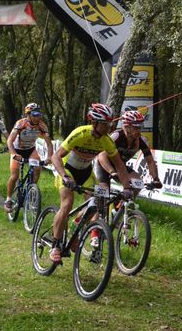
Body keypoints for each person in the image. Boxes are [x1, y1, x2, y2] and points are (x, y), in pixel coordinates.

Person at [49, 104, 131, 264]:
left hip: (86, 173)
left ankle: (74, 230)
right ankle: (55, 245)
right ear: (94, 122)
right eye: (105, 124)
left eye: (110, 124)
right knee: (67, 204)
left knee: (94, 206)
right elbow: (56, 156)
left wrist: (127, 187)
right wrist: (65, 177)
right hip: (68, 170)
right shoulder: (80, 133)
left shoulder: (106, 140)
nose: (108, 127)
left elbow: (120, 165)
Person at [95, 110, 162, 193]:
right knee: (103, 193)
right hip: (104, 165)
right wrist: (112, 171)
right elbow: (102, 155)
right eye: (135, 127)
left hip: (120, 167)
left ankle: (123, 204)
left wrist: (156, 179)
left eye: (140, 127)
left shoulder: (142, 141)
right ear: (126, 127)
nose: (139, 131)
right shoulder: (117, 136)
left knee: (138, 184)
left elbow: (150, 161)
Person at [5, 103, 54, 213]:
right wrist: (13, 154)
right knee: (15, 175)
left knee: (37, 168)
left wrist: (49, 157)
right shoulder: (21, 123)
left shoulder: (42, 125)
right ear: (28, 115)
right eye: (35, 114)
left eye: (39, 114)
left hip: (31, 150)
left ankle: (32, 190)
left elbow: (49, 144)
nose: (38, 117)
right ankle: (8, 199)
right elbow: (9, 140)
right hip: (17, 150)